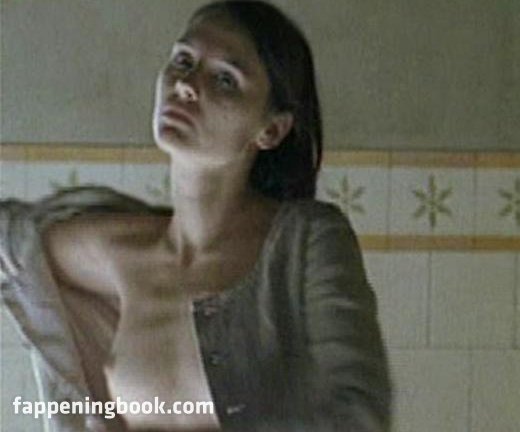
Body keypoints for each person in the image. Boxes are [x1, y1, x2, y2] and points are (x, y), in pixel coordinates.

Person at [0, 1, 390, 430]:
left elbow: (358, 409)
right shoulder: (119, 252)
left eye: (225, 79)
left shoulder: (305, 239)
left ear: (271, 130)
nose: (186, 85)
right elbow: (14, 243)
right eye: (183, 61)